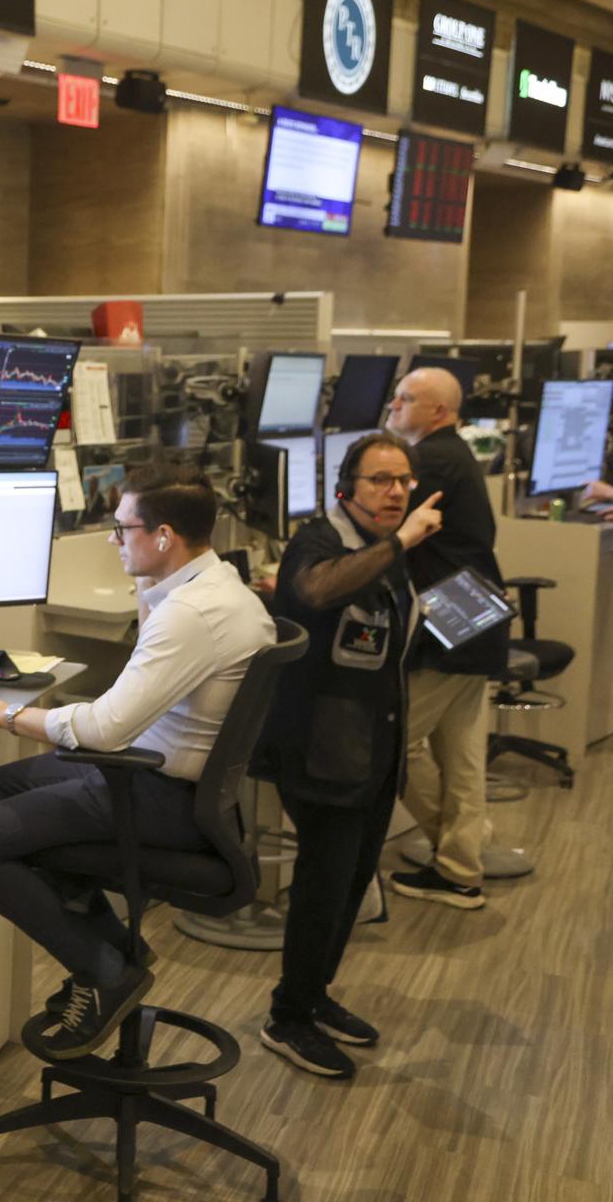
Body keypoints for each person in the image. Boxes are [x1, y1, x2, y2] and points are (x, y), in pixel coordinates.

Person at [0, 461, 275, 1060]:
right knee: (5, 781)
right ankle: (116, 949)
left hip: (161, 793)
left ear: (164, 536)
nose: (116, 541)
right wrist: (148, 581)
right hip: (177, 779)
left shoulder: (191, 614)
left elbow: (104, 728)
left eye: (123, 529)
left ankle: (102, 970)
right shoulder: (211, 588)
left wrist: (3, 714)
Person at [257, 434, 442, 1080]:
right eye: (379, 481)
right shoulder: (320, 540)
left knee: (352, 887)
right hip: (322, 755)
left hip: (375, 752)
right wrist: (401, 541)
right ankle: (286, 1017)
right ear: (346, 486)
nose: (395, 492)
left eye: (404, 481)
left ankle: (313, 995)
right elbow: (312, 591)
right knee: (322, 888)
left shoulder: (382, 549)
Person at [383, 367, 505, 909]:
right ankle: (461, 866)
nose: (392, 405)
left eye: (405, 399)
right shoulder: (453, 453)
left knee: (395, 744)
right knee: (460, 752)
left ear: (438, 411)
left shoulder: (429, 459)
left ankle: (459, 854)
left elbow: (384, 534)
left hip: (449, 616)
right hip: (476, 612)